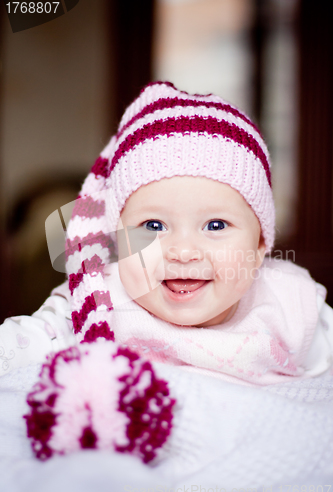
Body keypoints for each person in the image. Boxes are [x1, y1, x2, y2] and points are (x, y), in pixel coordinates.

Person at [1, 80, 333, 385]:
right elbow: (16, 348)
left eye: (215, 226)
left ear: (260, 244)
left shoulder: (290, 308)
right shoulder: (96, 303)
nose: (183, 251)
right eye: (153, 226)